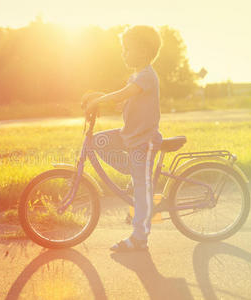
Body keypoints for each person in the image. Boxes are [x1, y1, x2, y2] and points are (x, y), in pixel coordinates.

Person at [83, 25, 163, 252]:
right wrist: (98, 97)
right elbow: (122, 101)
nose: (123, 53)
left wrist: (101, 101)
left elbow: (122, 94)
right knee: (97, 141)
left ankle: (139, 237)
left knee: (141, 188)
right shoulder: (136, 77)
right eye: (123, 49)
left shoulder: (147, 75)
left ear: (144, 52)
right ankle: (131, 169)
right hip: (129, 136)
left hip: (143, 141)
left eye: (127, 49)